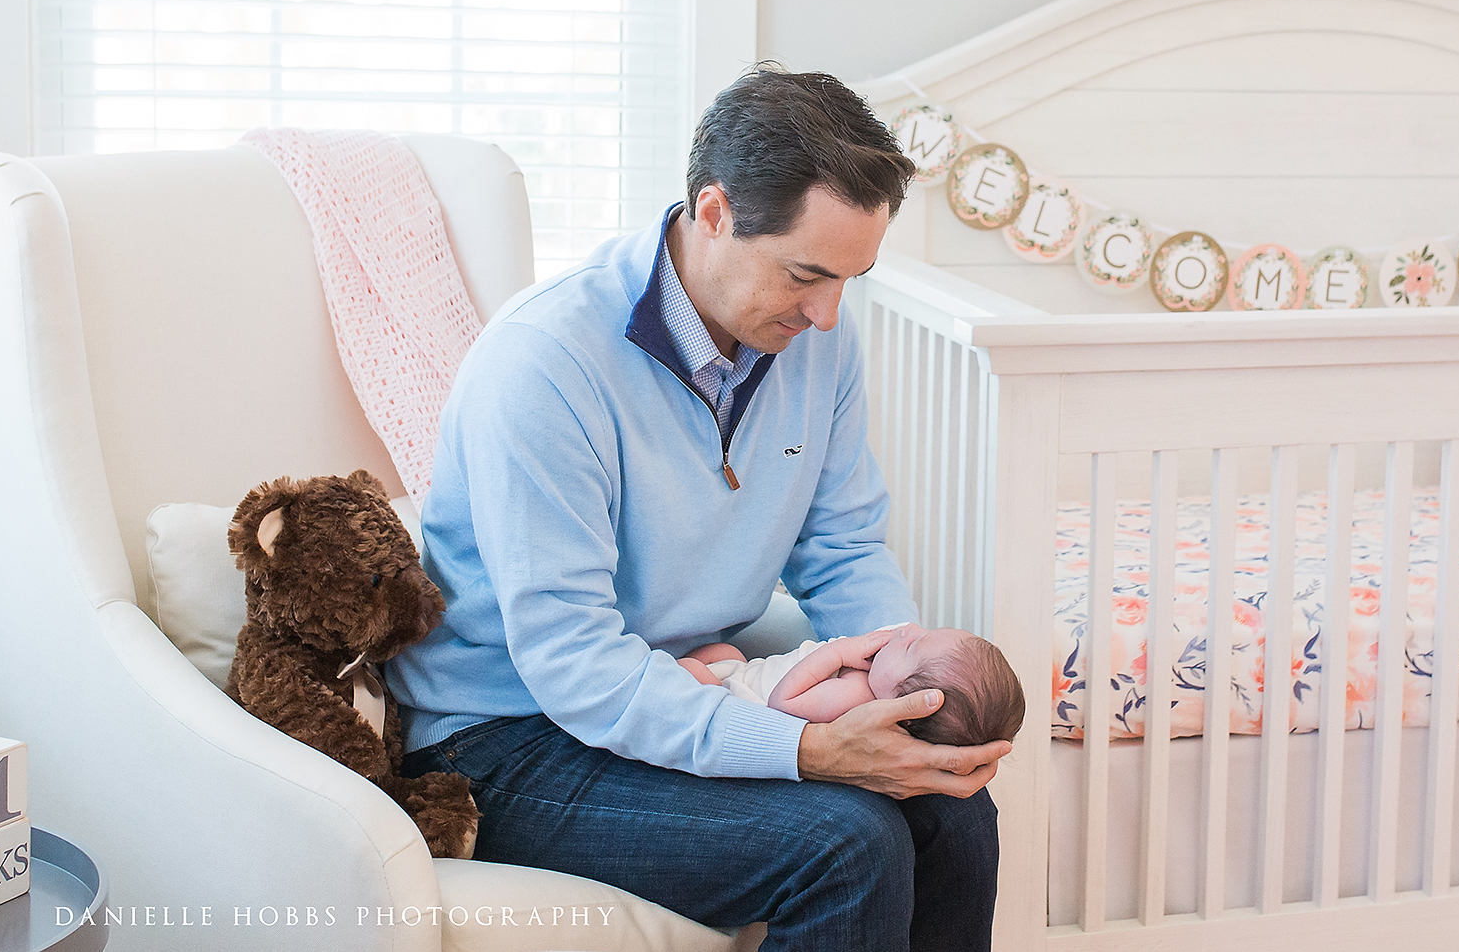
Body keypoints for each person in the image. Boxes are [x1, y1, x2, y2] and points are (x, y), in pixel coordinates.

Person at [387, 65, 1012, 950]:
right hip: (505, 737)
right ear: (714, 212)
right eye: (806, 273)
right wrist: (803, 750)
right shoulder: (543, 366)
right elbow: (574, 662)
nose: (829, 315)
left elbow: (839, 544)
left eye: (850, 280)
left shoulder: (814, 346)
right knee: (846, 846)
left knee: (955, 811)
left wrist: (912, 705)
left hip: (690, 675)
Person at [679, 624, 1026, 749]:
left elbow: (783, 703)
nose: (909, 629)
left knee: (691, 671)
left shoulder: (855, 695)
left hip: (741, 703)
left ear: (903, 699)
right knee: (723, 653)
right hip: (745, 672)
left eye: (910, 646)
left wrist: (837, 652)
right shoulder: (874, 680)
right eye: (925, 632)